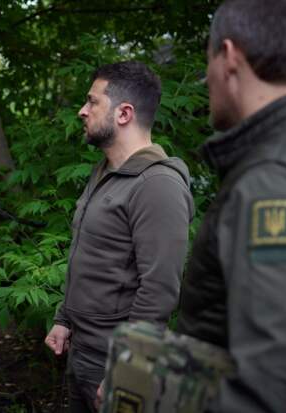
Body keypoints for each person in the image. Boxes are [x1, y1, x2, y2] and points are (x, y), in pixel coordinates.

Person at [176, 0, 286, 411]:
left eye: (208, 62)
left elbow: (280, 385)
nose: (206, 79)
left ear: (230, 56)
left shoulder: (273, 182)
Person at [44, 61, 194, 412]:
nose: (82, 111)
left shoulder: (158, 185)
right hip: (82, 351)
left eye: (92, 102)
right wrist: (64, 319)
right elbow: (92, 258)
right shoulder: (105, 173)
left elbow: (159, 289)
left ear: (124, 113)